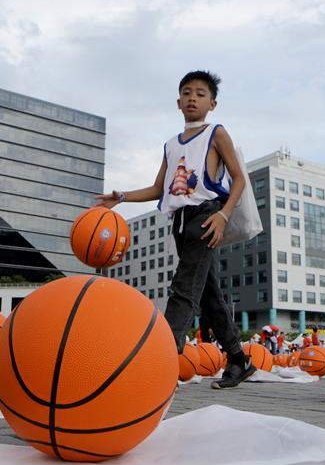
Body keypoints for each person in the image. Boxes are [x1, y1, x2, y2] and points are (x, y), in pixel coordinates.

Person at [95, 70, 253, 389]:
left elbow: (238, 178)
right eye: (187, 92)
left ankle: (160, 359)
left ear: (213, 102)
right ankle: (239, 359)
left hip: (207, 216)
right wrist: (121, 197)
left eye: (200, 93)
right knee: (207, 294)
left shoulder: (216, 133)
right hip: (180, 221)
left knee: (182, 287)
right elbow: (158, 189)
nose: (192, 97)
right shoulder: (170, 145)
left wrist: (223, 215)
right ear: (178, 101)